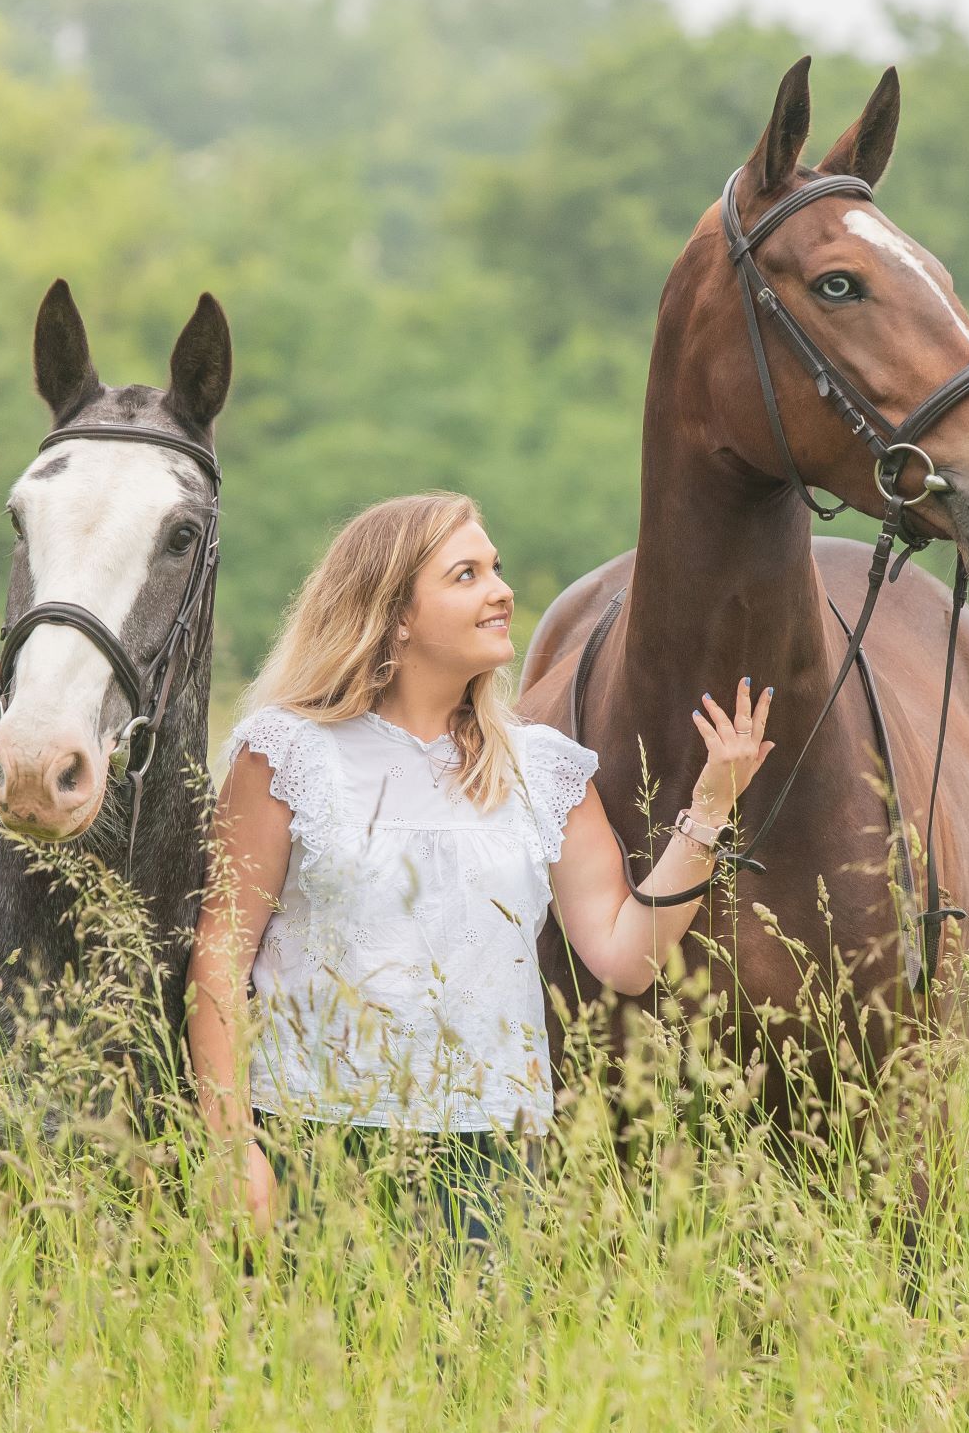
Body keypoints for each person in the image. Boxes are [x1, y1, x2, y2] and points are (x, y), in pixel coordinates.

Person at [187, 492, 774, 1241]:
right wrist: (232, 1144)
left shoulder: (540, 769)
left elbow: (627, 955)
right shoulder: (288, 751)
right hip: (311, 1134)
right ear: (396, 613)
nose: (501, 590)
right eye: (466, 574)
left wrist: (709, 808)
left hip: (490, 1152)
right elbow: (219, 953)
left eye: (495, 569)